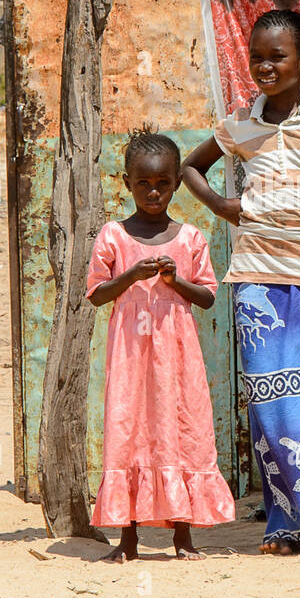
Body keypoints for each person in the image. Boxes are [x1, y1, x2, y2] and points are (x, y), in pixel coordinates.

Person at [183, 9, 300, 556]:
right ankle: (284, 527)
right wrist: (222, 206)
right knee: (271, 405)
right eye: (256, 56)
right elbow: (192, 165)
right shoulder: (239, 124)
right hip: (256, 282)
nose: (264, 65)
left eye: (277, 56)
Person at [86, 129, 235, 563]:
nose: (154, 192)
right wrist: (131, 276)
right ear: (127, 183)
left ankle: (183, 537)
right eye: (144, 184)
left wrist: (175, 280)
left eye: (163, 183)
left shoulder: (190, 238)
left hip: (178, 357)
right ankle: (127, 540)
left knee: (181, 432)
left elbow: (207, 297)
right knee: (128, 433)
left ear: (175, 183)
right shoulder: (113, 235)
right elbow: (96, 294)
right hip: (131, 358)